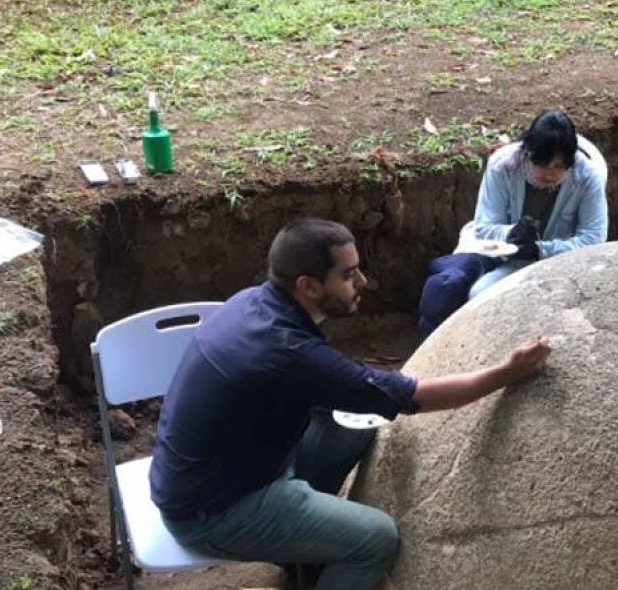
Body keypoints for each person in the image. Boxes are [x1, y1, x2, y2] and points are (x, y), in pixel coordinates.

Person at [150, 218, 551, 590]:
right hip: (213, 511)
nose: (363, 281)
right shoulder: (290, 353)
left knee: (351, 427)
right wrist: (506, 373)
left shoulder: (250, 302)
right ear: (308, 286)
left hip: (217, 471)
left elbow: (340, 388)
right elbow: (413, 396)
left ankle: (303, 552)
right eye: (348, 275)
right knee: (376, 539)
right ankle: (313, 552)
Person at [466, 109, 608, 299]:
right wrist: (510, 234)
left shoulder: (587, 178)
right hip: (510, 263)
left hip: (565, 265)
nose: (549, 174)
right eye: (541, 164)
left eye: (559, 166)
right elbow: (484, 225)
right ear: (527, 152)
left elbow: (593, 239)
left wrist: (541, 250)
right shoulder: (502, 167)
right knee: (479, 294)